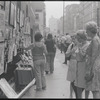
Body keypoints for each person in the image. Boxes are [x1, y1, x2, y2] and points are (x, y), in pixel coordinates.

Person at [85, 21, 100, 98]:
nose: (86, 32)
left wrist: (89, 69)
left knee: (95, 89)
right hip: (96, 64)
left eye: (86, 30)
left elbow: (93, 56)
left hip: (94, 66)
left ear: (90, 30)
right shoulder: (96, 38)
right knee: (95, 88)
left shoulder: (94, 40)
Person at [74, 30, 90, 98]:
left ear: (82, 37)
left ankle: (86, 97)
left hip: (84, 66)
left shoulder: (87, 45)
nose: (77, 39)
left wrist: (79, 48)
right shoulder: (81, 44)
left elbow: (83, 56)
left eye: (78, 38)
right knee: (78, 85)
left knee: (85, 85)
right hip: (79, 65)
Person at [66, 34, 78, 98]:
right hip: (72, 63)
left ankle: (78, 94)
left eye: (75, 38)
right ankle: (71, 94)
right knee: (72, 80)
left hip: (79, 64)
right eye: (73, 39)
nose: (73, 40)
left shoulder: (82, 45)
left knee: (79, 80)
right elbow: (66, 55)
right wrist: (71, 51)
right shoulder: (71, 45)